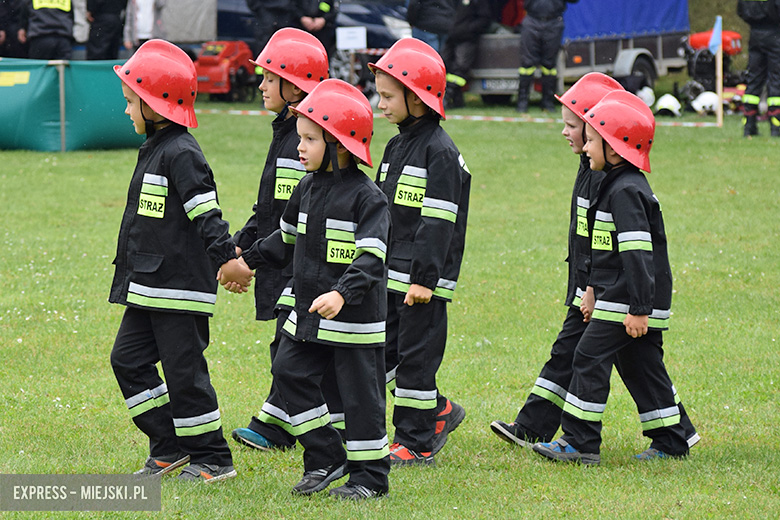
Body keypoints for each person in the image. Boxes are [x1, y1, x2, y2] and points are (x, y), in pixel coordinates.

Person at [490, 73, 699, 452]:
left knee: (585, 354)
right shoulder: (600, 174)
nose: (578, 142)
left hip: (623, 295)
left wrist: (636, 306)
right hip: (606, 290)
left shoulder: (621, 187)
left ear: (612, 143)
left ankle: (580, 441)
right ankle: (672, 438)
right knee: (639, 365)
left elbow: (635, 253)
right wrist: (589, 289)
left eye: (582, 132)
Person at [238, 78, 391, 500]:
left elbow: (371, 259)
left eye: (309, 138)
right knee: (287, 370)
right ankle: (325, 454)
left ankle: (370, 480)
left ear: (340, 144)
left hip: (355, 322)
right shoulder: (305, 189)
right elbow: (281, 241)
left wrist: (342, 292)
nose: (299, 146)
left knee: (362, 404)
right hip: (308, 315)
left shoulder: (369, 199)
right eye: (300, 137)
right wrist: (243, 260)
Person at [110, 39, 253, 482]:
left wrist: (228, 257)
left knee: (184, 374)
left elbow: (205, 214)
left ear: (156, 105)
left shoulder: (182, 153)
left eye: (132, 103)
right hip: (149, 285)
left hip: (178, 289)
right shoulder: (155, 147)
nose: (128, 111)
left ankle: (213, 457)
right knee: (127, 360)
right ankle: (168, 445)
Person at [229, 27, 344, 452]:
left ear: (294, 86)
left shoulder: (300, 141)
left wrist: (250, 260)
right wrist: (242, 241)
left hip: (300, 266)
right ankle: (279, 424)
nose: (260, 85)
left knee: (292, 347)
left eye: (268, 77)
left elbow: (296, 222)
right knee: (295, 345)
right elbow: (272, 210)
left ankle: (278, 427)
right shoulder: (288, 133)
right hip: (283, 260)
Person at [369, 38, 470, 466]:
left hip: (421, 281)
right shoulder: (397, 145)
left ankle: (416, 440)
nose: (379, 104)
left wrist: (424, 279)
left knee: (415, 361)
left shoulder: (440, 153)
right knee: (387, 353)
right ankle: (438, 411)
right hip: (393, 274)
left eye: (388, 96)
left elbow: (438, 223)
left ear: (417, 97)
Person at [515, 0, 578, 112]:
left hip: (554, 22)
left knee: (549, 65)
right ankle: (522, 103)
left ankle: (548, 103)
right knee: (527, 64)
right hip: (532, 21)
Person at [737, 0, 780, 137]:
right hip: (774, 34)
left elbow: (741, 11)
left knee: (754, 78)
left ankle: (749, 125)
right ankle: (776, 126)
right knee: (776, 79)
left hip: (755, 35)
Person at [440, 0, 494, 108]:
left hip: (467, 39)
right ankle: (457, 101)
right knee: (444, 64)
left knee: (460, 68)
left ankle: (446, 98)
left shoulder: (478, 3)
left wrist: (468, 29)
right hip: (451, 37)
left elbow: (484, 20)